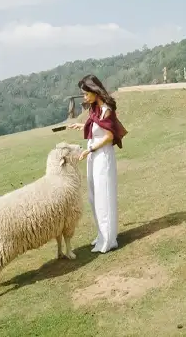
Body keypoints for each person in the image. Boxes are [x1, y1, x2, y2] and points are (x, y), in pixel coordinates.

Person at [67, 75, 127, 254]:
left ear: (95, 92)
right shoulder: (95, 110)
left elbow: (109, 136)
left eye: (86, 94)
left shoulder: (106, 110)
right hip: (93, 155)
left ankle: (109, 240)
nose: (84, 98)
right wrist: (81, 125)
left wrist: (91, 149)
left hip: (102, 156)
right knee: (94, 196)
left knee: (104, 196)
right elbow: (95, 126)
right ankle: (102, 234)